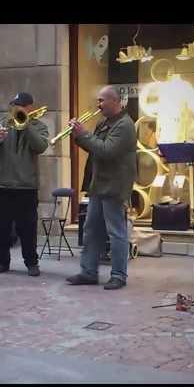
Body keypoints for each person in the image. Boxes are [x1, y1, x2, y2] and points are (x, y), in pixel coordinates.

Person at [66, 86, 137, 290]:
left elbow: (107, 151)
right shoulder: (104, 122)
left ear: (115, 101)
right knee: (91, 230)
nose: (98, 105)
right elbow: (94, 147)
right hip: (99, 183)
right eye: (98, 101)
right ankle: (88, 272)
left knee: (116, 232)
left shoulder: (125, 125)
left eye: (101, 101)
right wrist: (78, 136)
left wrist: (84, 134)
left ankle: (118, 275)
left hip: (114, 185)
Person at [0, 92, 49, 277]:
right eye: (14, 105)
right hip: (3, 185)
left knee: (27, 228)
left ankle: (31, 263)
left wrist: (26, 125)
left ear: (30, 107)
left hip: (26, 186)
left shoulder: (39, 126)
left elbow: (40, 147)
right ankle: (1, 262)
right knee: (1, 227)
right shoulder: (3, 123)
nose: (16, 108)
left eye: (20, 105)